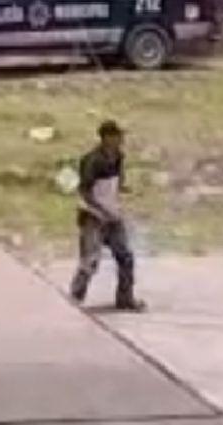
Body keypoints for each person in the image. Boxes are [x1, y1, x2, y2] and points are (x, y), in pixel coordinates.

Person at [69, 121, 146, 311]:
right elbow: (84, 191)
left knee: (125, 257)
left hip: (113, 216)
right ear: (107, 138)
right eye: (117, 136)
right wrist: (100, 211)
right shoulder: (92, 160)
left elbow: (117, 182)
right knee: (90, 260)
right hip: (93, 217)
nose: (121, 140)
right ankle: (74, 299)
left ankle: (125, 298)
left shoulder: (118, 157)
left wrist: (123, 193)